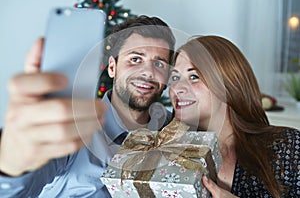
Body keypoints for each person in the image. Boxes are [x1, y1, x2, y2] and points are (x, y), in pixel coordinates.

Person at [0, 15, 175, 197]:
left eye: (158, 63)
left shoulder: (171, 127)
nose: (148, 72)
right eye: (135, 59)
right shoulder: (72, 127)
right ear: (112, 68)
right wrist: (9, 166)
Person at [169, 35, 300, 198]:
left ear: (228, 84)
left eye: (194, 77)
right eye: (175, 77)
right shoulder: (166, 156)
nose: (177, 88)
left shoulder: (289, 147)